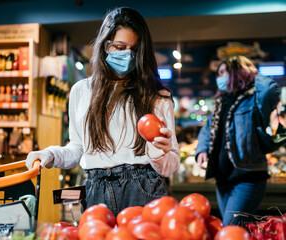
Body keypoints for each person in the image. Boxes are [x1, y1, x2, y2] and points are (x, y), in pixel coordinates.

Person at [26, 7, 180, 217]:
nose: (127, 55)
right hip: (96, 190)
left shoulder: (157, 96)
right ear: (105, 46)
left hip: (144, 188)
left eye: (134, 50)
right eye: (119, 46)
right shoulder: (81, 91)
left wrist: (159, 152)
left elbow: (170, 166)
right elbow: (78, 149)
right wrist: (50, 154)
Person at [196, 55, 280, 225]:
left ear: (238, 73)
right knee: (233, 231)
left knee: (230, 230)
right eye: (218, 74)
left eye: (225, 72)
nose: (220, 77)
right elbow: (207, 129)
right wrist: (201, 150)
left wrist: (251, 72)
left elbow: (271, 90)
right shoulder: (221, 103)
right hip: (223, 180)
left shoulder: (255, 99)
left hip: (248, 179)